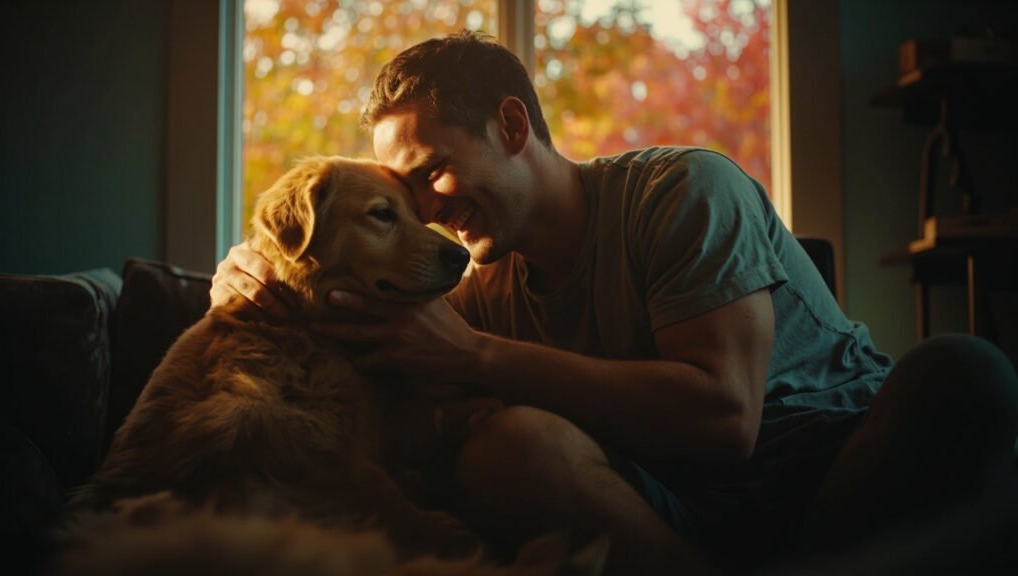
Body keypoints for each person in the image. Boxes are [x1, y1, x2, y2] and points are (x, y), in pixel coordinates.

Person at [211, 31, 1018, 574]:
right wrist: (244, 276)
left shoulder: (683, 189)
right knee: (507, 447)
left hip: (837, 467)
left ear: (512, 125)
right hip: (680, 520)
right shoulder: (477, 285)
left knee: (965, 370)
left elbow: (726, 421)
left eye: (432, 172)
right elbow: (333, 304)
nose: (425, 210)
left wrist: (480, 357)